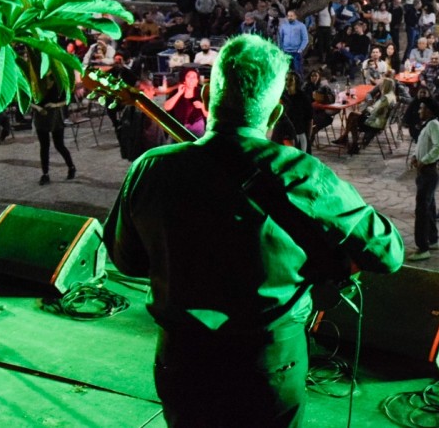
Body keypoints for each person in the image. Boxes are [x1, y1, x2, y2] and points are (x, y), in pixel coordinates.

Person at [104, 34, 403, 427]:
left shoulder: (150, 167)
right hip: (268, 367)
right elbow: (389, 253)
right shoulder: (302, 174)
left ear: (209, 92)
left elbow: (125, 259)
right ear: (276, 112)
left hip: (182, 361)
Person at [408, 98, 439, 261]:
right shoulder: (428, 125)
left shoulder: (434, 125)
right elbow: (422, 145)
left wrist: (425, 160)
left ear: (429, 110)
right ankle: (432, 239)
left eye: (422, 108)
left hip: (428, 172)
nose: (419, 111)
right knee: (429, 207)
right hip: (424, 171)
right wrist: (416, 156)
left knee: (422, 210)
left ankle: (422, 248)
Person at [31, 70, 76, 186]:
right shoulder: (37, 86)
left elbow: (67, 100)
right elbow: (29, 101)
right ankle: (45, 174)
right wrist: (38, 108)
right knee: (44, 147)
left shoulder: (58, 86)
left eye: (48, 78)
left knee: (59, 145)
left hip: (55, 116)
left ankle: (71, 166)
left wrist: (54, 105)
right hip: (40, 116)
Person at [332, 78, 396, 155]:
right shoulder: (392, 96)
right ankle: (346, 138)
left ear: (385, 86)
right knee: (353, 115)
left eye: (382, 85)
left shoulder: (385, 98)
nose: (380, 87)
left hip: (374, 123)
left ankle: (353, 144)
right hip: (380, 120)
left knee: (353, 119)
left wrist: (367, 109)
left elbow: (375, 111)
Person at [164, 68, 208, 137]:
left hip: (197, 127)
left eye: (194, 77)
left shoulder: (201, 93)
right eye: (188, 77)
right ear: (184, 79)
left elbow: (208, 115)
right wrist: (179, 93)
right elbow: (166, 107)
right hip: (178, 126)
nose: (191, 79)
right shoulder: (176, 92)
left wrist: (202, 106)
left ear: (197, 81)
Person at [281, 71, 313, 153]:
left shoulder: (303, 97)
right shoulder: (282, 96)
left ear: (296, 82)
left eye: (291, 80)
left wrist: (308, 137)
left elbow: (309, 118)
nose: (288, 82)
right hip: (284, 134)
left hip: (299, 133)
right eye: (286, 79)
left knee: (300, 159)